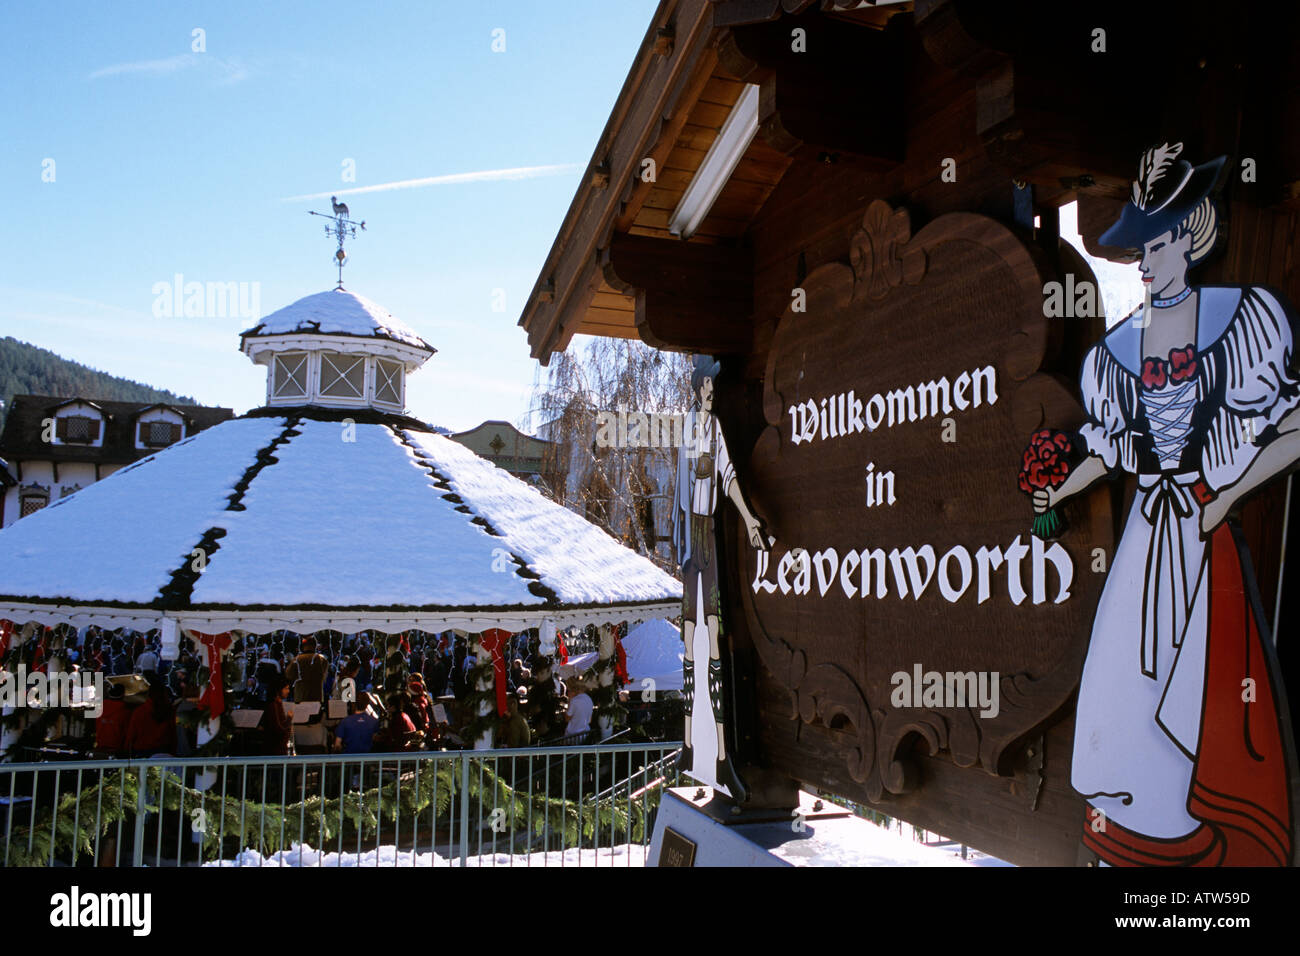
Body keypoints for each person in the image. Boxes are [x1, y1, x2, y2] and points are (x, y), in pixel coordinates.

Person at [1039, 143, 1299, 866]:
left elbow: (1290, 425)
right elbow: (1112, 449)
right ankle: (1137, 829)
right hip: (1147, 532)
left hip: (1203, 525)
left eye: (1156, 243)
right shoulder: (1119, 353)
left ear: (1192, 234)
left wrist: (1229, 498)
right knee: (1124, 668)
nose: (1145, 262)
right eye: (1138, 247)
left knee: (1190, 679)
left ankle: (1188, 825)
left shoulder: (1241, 322)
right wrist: (1056, 489)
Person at [124, 678, 176, 757]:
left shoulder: (140, 710)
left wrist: (126, 749)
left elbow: (132, 733)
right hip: (162, 751)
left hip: (141, 750)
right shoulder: (169, 710)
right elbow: (173, 733)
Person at [285, 635, 328, 703]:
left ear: (304, 646)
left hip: (300, 696)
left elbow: (289, 675)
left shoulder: (297, 659)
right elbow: (324, 678)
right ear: (315, 646)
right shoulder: (322, 659)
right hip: (317, 697)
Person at [93, 682, 131, 756]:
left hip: (100, 747)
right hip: (117, 750)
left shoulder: (99, 708)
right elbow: (128, 732)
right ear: (123, 694)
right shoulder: (126, 712)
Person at [262, 675, 294, 757]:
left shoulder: (277, 704)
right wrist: (289, 719)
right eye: (286, 688)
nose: (288, 691)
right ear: (279, 689)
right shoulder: (274, 705)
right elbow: (278, 728)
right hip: (276, 749)